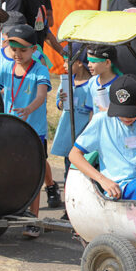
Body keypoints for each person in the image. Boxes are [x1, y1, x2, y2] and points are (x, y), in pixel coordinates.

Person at [69, 75, 136, 203]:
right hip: (121, 187)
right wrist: (102, 180)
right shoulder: (102, 120)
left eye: (131, 113)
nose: (126, 118)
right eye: (121, 112)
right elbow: (74, 155)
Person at [0, 25, 52, 238]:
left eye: (23, 50)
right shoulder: (6, 68)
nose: (17, 54)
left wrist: (29, 109)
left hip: (34, 131)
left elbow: (42, 96)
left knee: (33, 175)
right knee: (9, 171)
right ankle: (10, 210)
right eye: (14, 50)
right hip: (10, 129)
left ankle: (33, 220)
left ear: (34, 49)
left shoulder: (40, 70)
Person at [50, 49, 93, 217]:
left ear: (80, 62)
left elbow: (91, 111)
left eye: (67, 61)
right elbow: (60, 106)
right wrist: (61, 100)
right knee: (68, 170)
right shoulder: (67, 81)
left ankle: (82, 207)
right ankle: (69, 210)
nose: (63, 65)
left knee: (82, 172)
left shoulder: (91, 84)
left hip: (83, 131)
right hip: (68, 129)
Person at [85, 45, 121, 114]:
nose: (89, 65)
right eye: (88, 61)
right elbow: (92, 111)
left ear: (107, 63)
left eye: (93, 61)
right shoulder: (92, 82)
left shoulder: (120, 85)